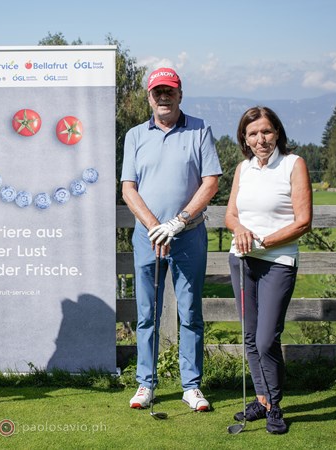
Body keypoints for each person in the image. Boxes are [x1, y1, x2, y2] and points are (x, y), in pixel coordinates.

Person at [121, 67, 222, 412]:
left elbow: (210, 182)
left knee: (190, 312)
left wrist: (179, 222)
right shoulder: (135, 135)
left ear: (180, 94)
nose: (163, 97)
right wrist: (154, 226)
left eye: (170, 91)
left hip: (189, 236)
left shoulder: (200, 129)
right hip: (146, 238)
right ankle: (145, 383)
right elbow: (128, 189)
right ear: (149, 97)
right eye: (157, 92)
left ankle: (191, 386)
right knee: (146, 313)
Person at [225, 106, 313, 434]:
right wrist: (241, 232)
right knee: (249, 336)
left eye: (266, 131)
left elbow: (303, 221)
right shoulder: (243, 169)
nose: (260, 139)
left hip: (278, 262)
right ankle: (261, 401)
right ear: (244, 139)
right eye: (252, 134)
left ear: (277, 132)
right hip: (242, 260)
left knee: (265, 339)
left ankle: (275, 405)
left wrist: (263, 242)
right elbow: (231, 216)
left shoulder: (294, 164)